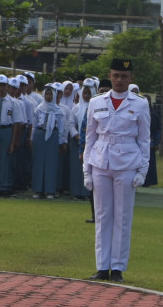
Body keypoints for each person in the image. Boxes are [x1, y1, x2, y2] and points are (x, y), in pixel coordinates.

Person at [83, 58, 150, 283]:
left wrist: (143, 169)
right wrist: (87, 169)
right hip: (101, 162)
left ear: (131, 78)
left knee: (122, 217)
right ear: (110, 76)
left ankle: (118, 268)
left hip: (127, 163)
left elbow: (144, 139)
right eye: (116, 75)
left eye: (124, 76)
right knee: (102, 216)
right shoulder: (97, 102)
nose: (119, 80)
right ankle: (102, 266)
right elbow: (90, 137)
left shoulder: (140, 104)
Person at [29, 83, 68, 199]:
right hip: (40, 135)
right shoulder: (39, 108)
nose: (48, 96)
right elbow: (35, 125)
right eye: (47, 94)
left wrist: (61, 142)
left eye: (51, 94)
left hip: (53, 136)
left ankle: (49, 190)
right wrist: (32, 139)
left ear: (55, 95)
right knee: (38, 163)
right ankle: (38, 189)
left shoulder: (59, 111)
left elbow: (61, 128)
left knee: (51, 164)